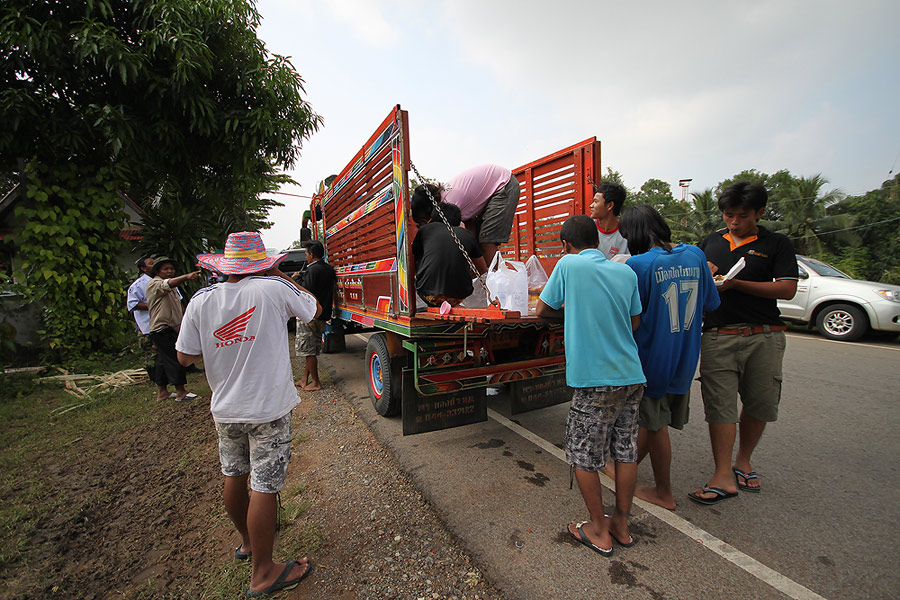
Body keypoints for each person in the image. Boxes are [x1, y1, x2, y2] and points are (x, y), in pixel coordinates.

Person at [175, 231, 320, 597]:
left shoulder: (201, 300)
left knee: (234, 473)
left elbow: (184, 357)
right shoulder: (273, 288)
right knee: (265, 486)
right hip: (267, 407)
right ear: (263, 263)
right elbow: (314, 309)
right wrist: (281, 274)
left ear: (226, 265)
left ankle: (247, 544)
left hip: (226, 408)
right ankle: (264, 573)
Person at [536, 215, 646, 556]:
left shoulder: (568, 264)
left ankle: (598, 530)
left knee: (584, 456)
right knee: (625, 450)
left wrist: (573, 313)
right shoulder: (625, 271)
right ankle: (621, 524)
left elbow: (543, 309)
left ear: (565, 244)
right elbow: (635, 320)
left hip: (594, 380)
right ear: (597, 241)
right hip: (631, 375)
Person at [689, 182, 798, 505]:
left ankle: (743, 460)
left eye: (742, 216)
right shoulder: (710, 242)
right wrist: (703, 274)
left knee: (759, 402)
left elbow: (787, 289)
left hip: (764, 334)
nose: (734, 222)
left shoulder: (776, 243)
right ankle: (723, 473)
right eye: (728, 215)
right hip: (718, 334)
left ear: (759, 213)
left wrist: (736, 284)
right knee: (719, 405)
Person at [617, 205, 720, 510]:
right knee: (656, 422)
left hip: (652, 359)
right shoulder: (696, 255)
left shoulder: (638, 265)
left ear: (633, 234)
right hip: (685, 357)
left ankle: (638, 479)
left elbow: (629, 317)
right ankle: (647, 481)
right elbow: (711, 303)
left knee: (651, 424)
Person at [411, 164, 520, 267]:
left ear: (428, 209)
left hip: (503, 185)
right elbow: (469, 232)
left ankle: (499, 281)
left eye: (425, 222)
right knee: (476, 240)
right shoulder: (447, 200)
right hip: (496, 182)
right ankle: (486, 277)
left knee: (487, 241)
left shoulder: (449, 203)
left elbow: (452, 240)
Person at [146, 256, 201, 401]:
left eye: (172, 269)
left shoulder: (173, 287)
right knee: (174, 358)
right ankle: (181, 392)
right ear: (158, 271)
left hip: (171, 327)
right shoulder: (154, 283)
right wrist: (188, 276)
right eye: (166, 269)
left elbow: (178, 304)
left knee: (163, 361)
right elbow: (168, 284)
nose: (170, 271)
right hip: (162, 328)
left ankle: (162, 392)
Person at [412, 202, 487, 307]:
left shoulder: (425, 230)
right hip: (458, 297)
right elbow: (483, 270)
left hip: (428, 295)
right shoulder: (467, 234)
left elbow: (412, 259)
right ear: (458, 221)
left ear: (432, 219)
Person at [294, 240, 335, 391]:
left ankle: (316, 383)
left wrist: (297, 278)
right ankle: (305, 379)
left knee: (308, 350)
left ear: (311, 254)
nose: (306, 257)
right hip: (322, 315)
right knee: (312, 349)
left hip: (310, 316)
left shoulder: (312, 271)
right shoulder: (329, 269)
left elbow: (306, 291)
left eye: (306, 254)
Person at [590, 182, 629, 259]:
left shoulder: (626, 236)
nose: (591, 205)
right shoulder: (587, 229)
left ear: (610, 205)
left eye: (596, 201)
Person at [126, 256, 155, 337]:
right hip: (148, 329)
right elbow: (133, 304)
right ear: (143, 268)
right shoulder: (138, 285)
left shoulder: (167, 282)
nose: (155, 265)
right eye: (151, 264)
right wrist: (156, 305)